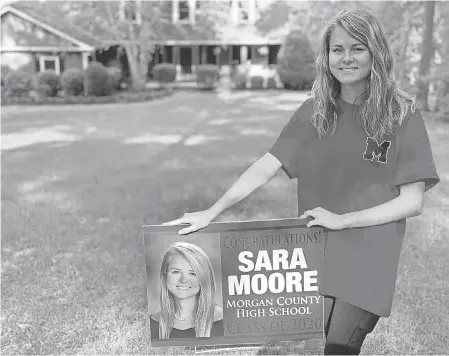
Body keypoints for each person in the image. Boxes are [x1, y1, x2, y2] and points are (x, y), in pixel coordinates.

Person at [163, 8, 440, 355]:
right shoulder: (314, 111)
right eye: (337, 49)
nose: (346, 58)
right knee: (318, 337)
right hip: (314, 251)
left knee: (340, 346)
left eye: (358, 48)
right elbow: (266, 165)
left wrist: (343, 221)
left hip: (370, 253)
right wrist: (212, 211)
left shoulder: (402, 115)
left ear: (376, 52)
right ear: (326, 57)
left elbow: (412, 201)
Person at [150, 242, 224, 340]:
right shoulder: (151, 323)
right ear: (164, 276)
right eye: (176, 272)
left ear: (204, 278)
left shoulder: (225, 321)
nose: (183, 280)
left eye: (192, 273)